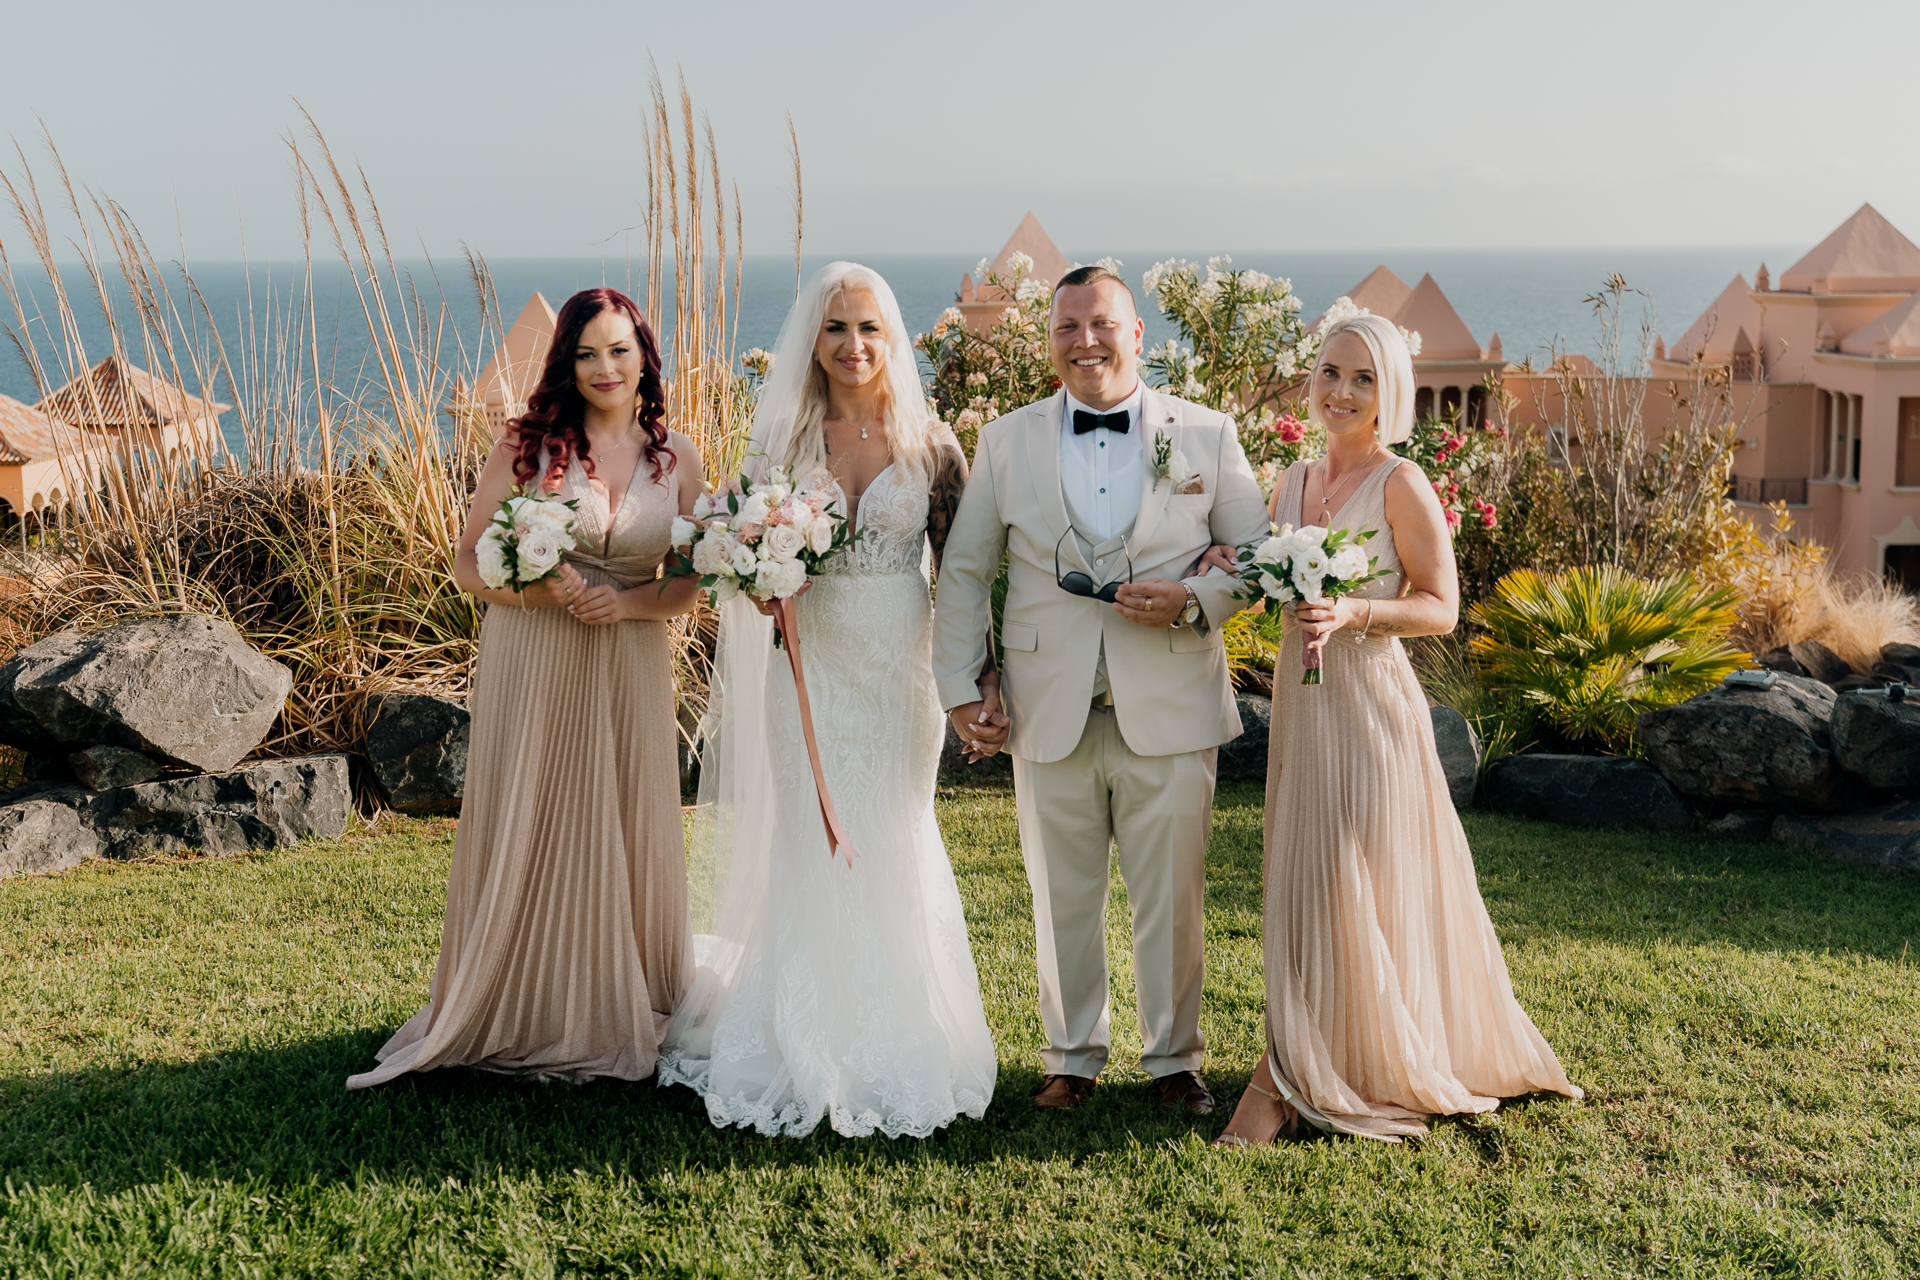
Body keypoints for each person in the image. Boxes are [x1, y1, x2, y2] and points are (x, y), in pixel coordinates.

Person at [1210, 313, 1582, 1144]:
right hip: (1302, 710)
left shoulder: (1400, 484)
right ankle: (1313, 1054)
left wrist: (1354, 611)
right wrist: (1247, 570)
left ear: (1390, 395)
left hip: (1371, 706)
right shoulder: (1292, 481)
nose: (1343, 391)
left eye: (1364, 378)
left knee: (1356, 881)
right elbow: (1276, 579)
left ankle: (1285, 1077)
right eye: (1332, 373)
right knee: (1303, 877)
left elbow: (1442, 609)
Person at [657, 262, 997, 1139]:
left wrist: (979, 683)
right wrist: (759, 580)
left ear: (894, 340)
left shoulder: (933, 449)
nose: (853, 346)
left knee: (892, 829)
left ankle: (901, 1031)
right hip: (805, 668)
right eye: (837, 328)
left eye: (870, 329)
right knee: (810, 836)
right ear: (815, 339)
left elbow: (963, 579)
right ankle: (803, 1033)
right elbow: (732, 549)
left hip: (899, 671)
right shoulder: (783, 445)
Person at [932, 264, 1270, 1114]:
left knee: (1174, 895)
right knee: (1060, 893)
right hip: (1051, 701)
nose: (1084, 341)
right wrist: (960, 685)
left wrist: (1194, 599)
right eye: (1066, 327)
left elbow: (1259, 556)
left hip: (1171, 696)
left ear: (1138, 335)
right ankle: (1071, 1057)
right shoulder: (1007, 441)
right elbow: (967, 572)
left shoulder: (1205, 435)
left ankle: (1174, 1063)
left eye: (1101, 324)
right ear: (1050, 341)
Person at [348, 288, 703, 1088]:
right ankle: (529, 1000)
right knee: (540, 811)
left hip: (632, 658)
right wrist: (545, 589)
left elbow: (689, 584)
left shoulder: (675, 454)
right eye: (585, 354)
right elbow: (469, 563)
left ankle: (626, 990)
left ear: (645, 353)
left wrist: (628, 602)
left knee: (624, 814)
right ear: (565, 364)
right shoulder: (525, 446)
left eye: (618, 350)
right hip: (535, 653)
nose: (604, 368)